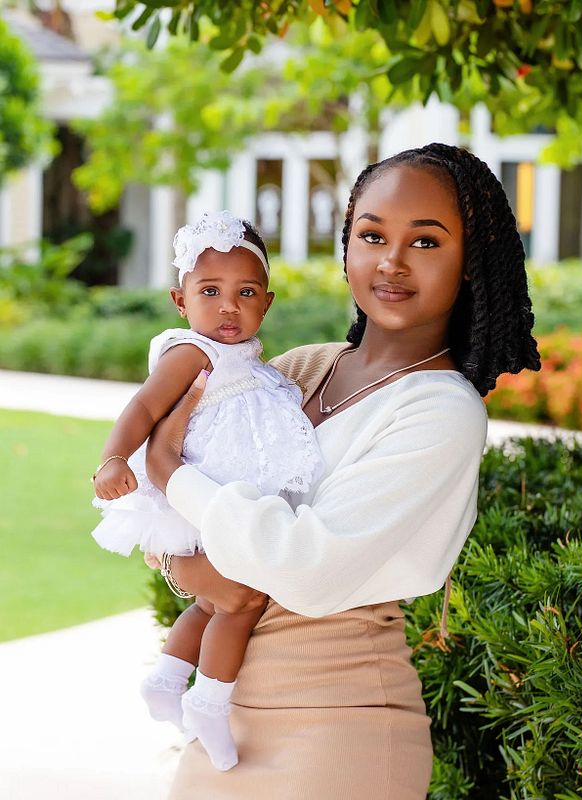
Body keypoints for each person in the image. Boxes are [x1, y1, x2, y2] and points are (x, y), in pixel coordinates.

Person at [144, 143, 541, 799]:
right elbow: (164, 527)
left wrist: (171, 476)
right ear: (347, 246)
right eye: (373, 234)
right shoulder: (296, 370)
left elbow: (307, 570)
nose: (391, 260)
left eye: (426, 242)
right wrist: (184, 548)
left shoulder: (441, 411)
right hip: (225, 718)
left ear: (470, 262)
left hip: (337, 731)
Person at [90, 210, 323, 772]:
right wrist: (113, 458)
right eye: (210, 291)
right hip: (193, 510)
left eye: (246, 293)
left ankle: (166, 681)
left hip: (221, 505)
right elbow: (144, 407)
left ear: (266, 302)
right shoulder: (192, 352)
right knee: (242, 601)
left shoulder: (257, 366)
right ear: (180, 300)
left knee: (212, 601)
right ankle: (208, 701)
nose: (228, 306)